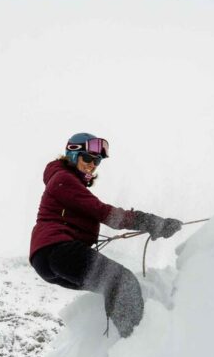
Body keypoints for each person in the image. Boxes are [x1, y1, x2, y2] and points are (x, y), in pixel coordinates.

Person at [29, 133, 182, 338]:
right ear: (72, 155)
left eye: (97, 161)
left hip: (48, 259)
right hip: (58, 251)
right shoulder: (64, 178)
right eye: (88, 158)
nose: (92, 165)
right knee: (122, 281)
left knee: (111, 285)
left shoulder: (64, 181)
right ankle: (136, 341)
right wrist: (152, 222)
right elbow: (104, 213)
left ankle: (121, 342)